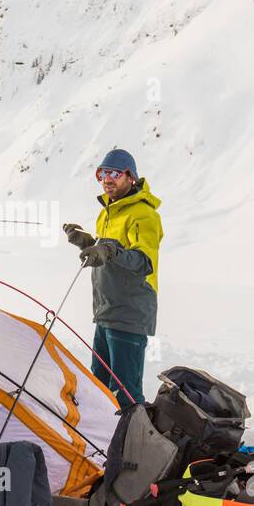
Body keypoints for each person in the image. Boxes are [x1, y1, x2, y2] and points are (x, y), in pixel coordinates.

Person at [63, 149, 162, 409]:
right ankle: (102, 443)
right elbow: (112, 253)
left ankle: (134, 446)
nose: (107, 179)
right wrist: (89, 243)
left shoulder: (144, 214)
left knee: (125, 393)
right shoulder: (108, 211)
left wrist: (107, 250)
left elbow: (143, 261)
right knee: (98, 386)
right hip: (106, 310)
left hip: (129, 313)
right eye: (102, 174)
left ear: (130, 177)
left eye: (114, 174)